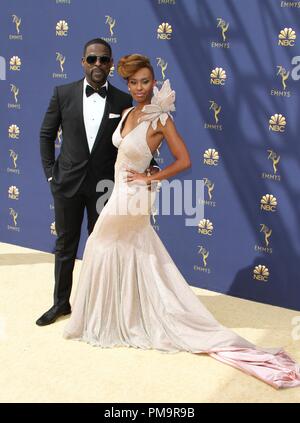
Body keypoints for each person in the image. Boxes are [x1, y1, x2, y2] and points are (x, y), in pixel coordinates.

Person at [63, 54, 300, 389]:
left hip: (135, 194)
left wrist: (150, 179)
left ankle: (110, 320)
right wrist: (146, 172)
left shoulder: (161, 119)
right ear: (127, 84)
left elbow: (185, 160)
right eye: (133, 82)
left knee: (102, 243)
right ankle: (119, 317)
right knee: (126, 249)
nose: (140, 87)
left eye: (145, 81)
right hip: (120, 189)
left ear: (154, 81)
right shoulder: (129, 112)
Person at [37, 40, 158, 327]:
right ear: (83, 62)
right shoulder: (62, 93)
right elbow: (46, 135)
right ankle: (61, 303)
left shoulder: (122, 100)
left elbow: (133, 141)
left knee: (103, 246)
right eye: (92, 59)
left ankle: (99, 306)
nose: (97, 65)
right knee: (66, 245)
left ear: (111, 64)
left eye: (104, 60)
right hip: (67, 183)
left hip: (106, 186)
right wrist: (51, 174)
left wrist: (149, 165)